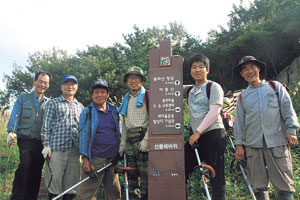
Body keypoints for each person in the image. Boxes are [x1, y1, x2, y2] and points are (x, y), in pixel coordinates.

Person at [234, 56, 299, 200]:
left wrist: (291, 130)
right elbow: (239, 123)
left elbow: (288, 109)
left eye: (252, 67)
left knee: (284, 183)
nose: (249, 71)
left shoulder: (275, 87)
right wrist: (239, 145)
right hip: (253, 145)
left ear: (258, 68)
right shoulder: (242, 97)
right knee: (258, 186)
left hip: (276, 142)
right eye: (245, 69)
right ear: (241, 74)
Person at [184, 53, 226, 200]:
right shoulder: (189, 90)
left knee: (216, 174)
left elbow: (215, 111)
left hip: (213, 133)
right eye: (194, 67)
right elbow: (170, 87)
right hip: (196, 136)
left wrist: (197, 132)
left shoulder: (213, 87)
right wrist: (174, 63)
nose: (197, 70)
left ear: (207, 69)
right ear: (190, 71)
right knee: (183, 167)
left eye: (201, 67)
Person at [6, 71, 51, 200]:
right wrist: (10, 132)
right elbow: (15, 114)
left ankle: (31, 197)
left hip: (41, 141)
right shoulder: (22, 98)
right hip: (25, 139)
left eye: (46, 82)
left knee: (36, 170)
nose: (43, 84)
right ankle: (17, 196)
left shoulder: (49, 103)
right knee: (25, 163)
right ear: (34, 81)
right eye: (40, 81)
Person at [41, 75, 84, 200]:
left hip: (75, 151)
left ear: (76, 87)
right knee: (54, 184)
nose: (70, 87)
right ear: (61, 87)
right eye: (67, 84)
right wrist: (46, 145)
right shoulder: (53, 103)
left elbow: (82, 130)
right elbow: (45, 126)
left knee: (72, 186)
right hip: (56, 150)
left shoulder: (80, 106)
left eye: (73, 84)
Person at [78, 79, 121, 200]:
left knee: (114, 192)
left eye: (102, 92)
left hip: (112, 158)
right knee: (87, 193)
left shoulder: (114, 110)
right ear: (92, 95)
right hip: (95, 159)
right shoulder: (87, 112)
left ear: (107, 94)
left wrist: (119, 152)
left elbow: (119, 132)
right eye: (96, 92)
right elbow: (83, 136)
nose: (99, 95)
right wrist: (86, 159)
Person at [118, 66, 149, 199]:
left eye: (136, 78)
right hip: (129, 140)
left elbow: (155, 119)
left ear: (142, 81)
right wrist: (122, 144)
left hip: (143, 138)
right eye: (130, 78)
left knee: (145, 176)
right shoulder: (126, 99)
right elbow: (124, 123)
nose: (133, 81)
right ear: (126, 81)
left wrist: (147, 140)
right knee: (131, 177)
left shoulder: (148, 96)